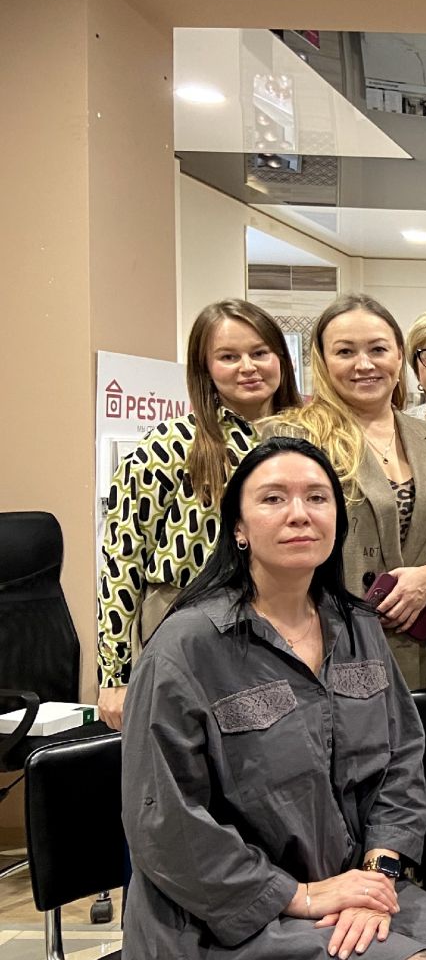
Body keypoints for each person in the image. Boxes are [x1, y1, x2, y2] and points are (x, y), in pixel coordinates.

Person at [118, 436, 426, 960]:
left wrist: (376, 877)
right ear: (239, 527)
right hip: (215, 921)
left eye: (316, 497)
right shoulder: (187, 647)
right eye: (274, 498)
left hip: (351, 883)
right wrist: (301, 896)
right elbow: (164, 825)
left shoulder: (357, 628)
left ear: (336, 519)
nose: (299, 513)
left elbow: (401, 765)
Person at [97, 299, 301, 730]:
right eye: (228, 357)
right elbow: (122, 559)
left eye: (260, 352)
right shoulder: (170, 444)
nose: (248, 367)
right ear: (205, 368)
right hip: (185, 620)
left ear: (281, 359)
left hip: (286, 620)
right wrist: (114, 676)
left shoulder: (310, 441)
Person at [263, 294, 426, 689]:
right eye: (345, 351)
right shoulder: (293, 437)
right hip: (330, 648)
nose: (364, 364)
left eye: (377, 349)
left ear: (399, 356)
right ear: (323, 361)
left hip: (424, 654)